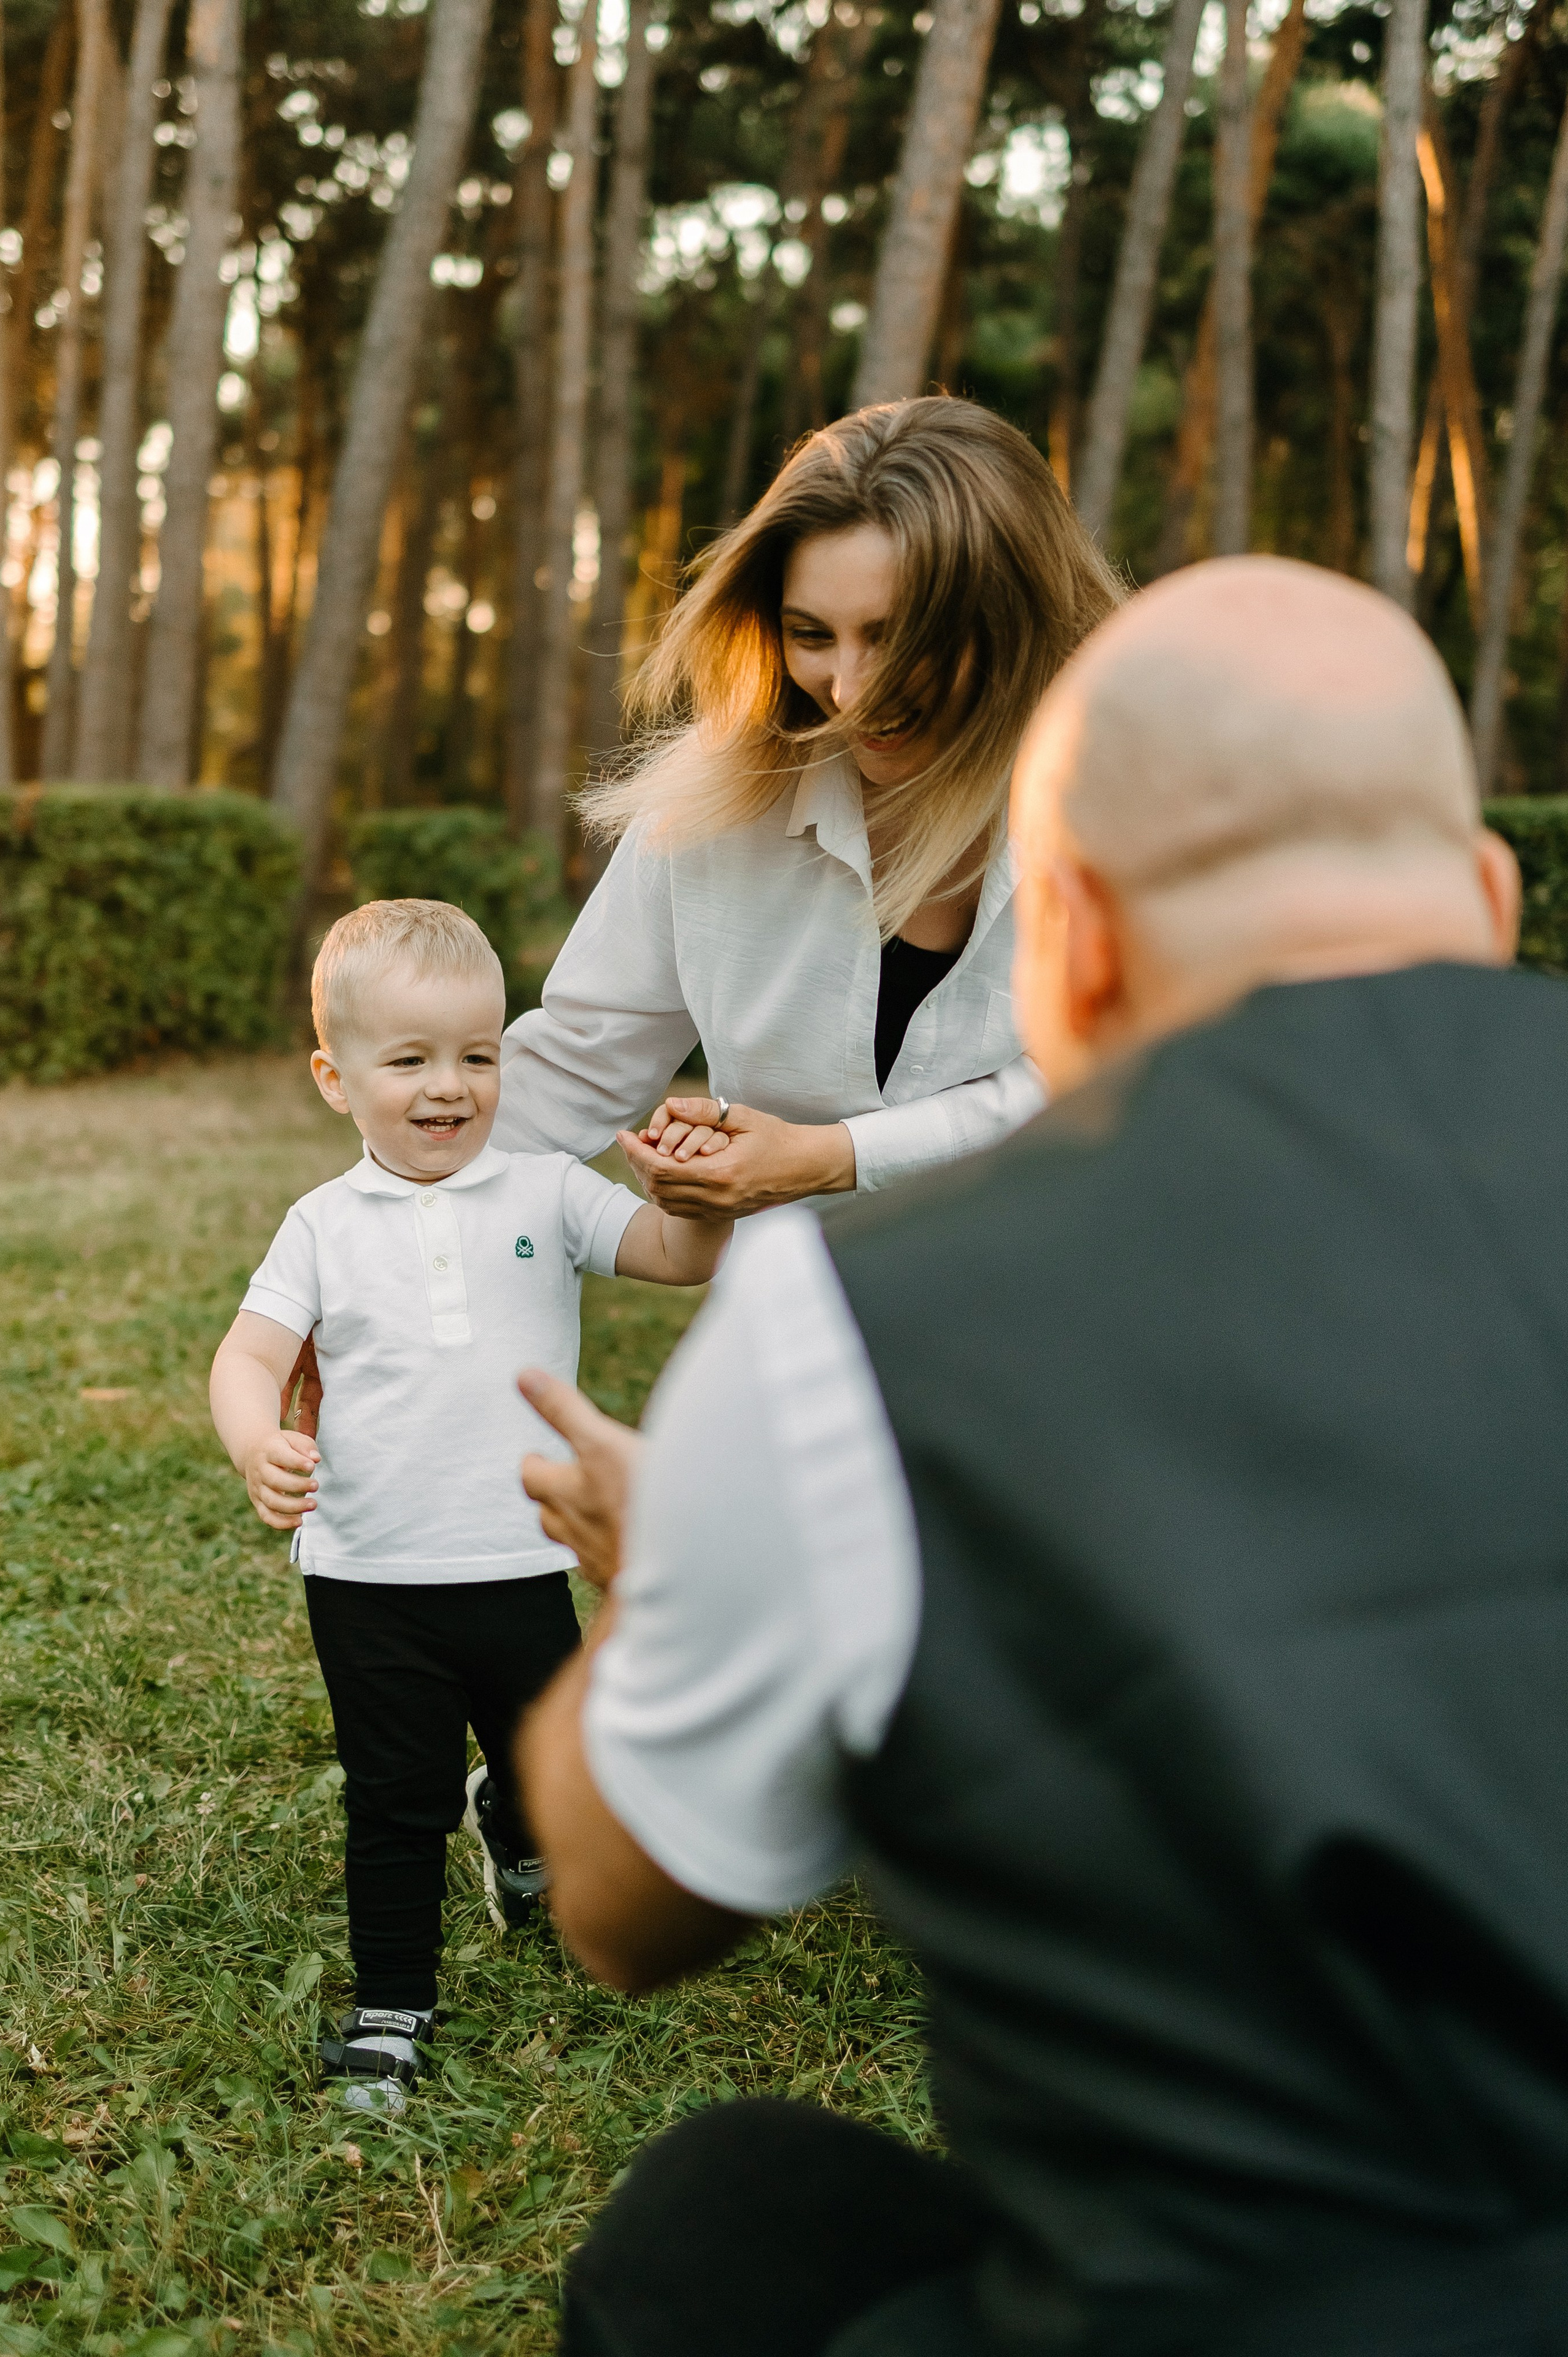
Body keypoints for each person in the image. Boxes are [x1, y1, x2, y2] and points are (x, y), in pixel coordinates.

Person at [514, 557, 1568, 2357]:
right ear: (1489, 894)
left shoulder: (855, 1331)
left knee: (721, 2234)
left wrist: (655, 1576)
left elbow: (623, 1906)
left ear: (1064, 934)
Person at [207, 900, 727, 2117]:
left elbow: (669, 1254)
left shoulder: (544, 1191)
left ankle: (520, 1825)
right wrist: (255, 1440)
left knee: (552, 1767)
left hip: (520, 1554)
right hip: (370, 1575)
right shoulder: (323, 1228)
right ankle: (391, 2005)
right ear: (336, 1080)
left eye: (478, 1056)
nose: (450, 1087)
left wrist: (689, 1193)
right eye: (411, 1061)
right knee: (396, 1797)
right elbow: (246, 1355)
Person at [493, 394, 1121, 1217]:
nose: (851, 691)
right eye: (812, 635)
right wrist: (354, 1251)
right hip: (796, 1322)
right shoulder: (709, 805)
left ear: (1008, 620)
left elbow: (1120, 1077)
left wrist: (833, 1157)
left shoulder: (1120, 808)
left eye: (895, 636)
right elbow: (572, 1072)